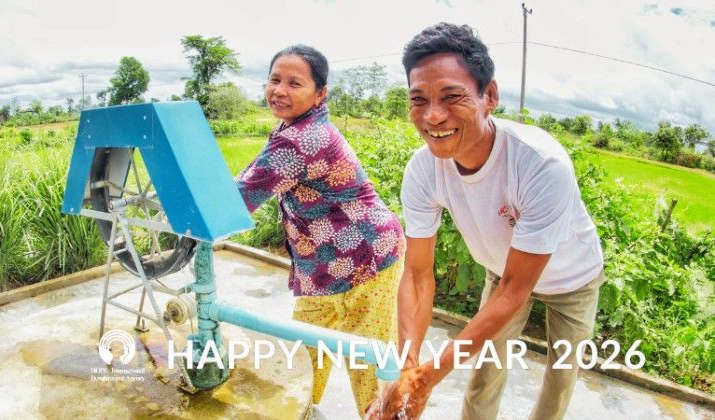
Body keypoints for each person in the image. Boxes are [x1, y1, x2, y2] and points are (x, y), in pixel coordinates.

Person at [368, 23, 605, 419]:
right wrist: (408, 367)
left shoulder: (540, 164)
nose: (433, 116)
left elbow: (517, 288)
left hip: (572, 280)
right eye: (418, 99)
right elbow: (417, 275)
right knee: (485, 368)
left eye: (451, 96)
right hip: (502, 271)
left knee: (560, 377)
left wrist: (427, 378)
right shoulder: (423, 170)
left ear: (489, 96)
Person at [235, 44, 405, 417]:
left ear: (320, 93)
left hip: (365, 257)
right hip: (325, 266)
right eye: (275, 79)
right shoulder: (291, 128)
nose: (280, 90)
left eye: (295, 83)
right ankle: (302, 409)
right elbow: (250, 175)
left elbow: (239, 199)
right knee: (305, 353)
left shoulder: (302, 139)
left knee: (367, 360)